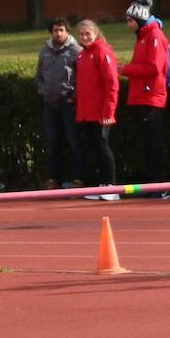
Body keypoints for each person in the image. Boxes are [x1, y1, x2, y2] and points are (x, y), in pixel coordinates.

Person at [120, 0, 170, 199]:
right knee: (147, 144)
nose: (128, 25)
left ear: (140, 19)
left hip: (151, 98)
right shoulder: (143, 37)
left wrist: (125, 69)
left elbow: (154, 67)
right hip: (142, 97)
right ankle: (153, 185)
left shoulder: (154, 36)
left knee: (153, 144)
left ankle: (160, 186)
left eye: (131, 20)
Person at [35, 17, 83, 189]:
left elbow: (83, 78)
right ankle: (55, 179)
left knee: (74, 141)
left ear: (67, 32)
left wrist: (73, 96)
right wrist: (43, 91)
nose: (58, 33)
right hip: (50, 104)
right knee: (54, 142)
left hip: (68, 103)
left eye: (61, 30)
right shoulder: (44, 51)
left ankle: (79, 178)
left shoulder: (76, 51)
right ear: (51, 32)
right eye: (55, 30)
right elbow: (38, 76)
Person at [75, 20, 120, 201]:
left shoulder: (102, 52)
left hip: (101, 113)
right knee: (94, 147)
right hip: (87, 112)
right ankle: (102, 185)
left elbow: (112, 84)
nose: (85, 37)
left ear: (96, 34)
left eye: (88, 34)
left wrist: (108, 112)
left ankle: (111, 186)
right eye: (82, 34)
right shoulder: (82, 55)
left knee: (102, 147)